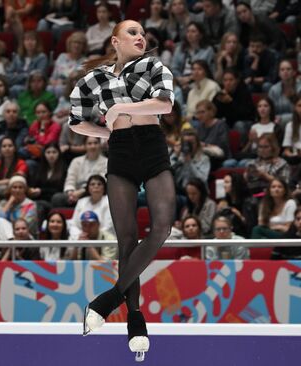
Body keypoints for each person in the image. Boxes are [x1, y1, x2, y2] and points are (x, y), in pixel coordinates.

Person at [69, 19, 175, 360]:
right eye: (132, 32)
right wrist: (109, 133)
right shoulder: (94, 78)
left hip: (151, 145)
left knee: (162, 227)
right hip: (121, 151)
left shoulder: (153, 66)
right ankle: (135, 319)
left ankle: (109, 299)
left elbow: (165, 105)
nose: (140, 37)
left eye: (143, 33)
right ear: (115, 41)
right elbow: (76, 121)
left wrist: (119, 108)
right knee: (126, 240)